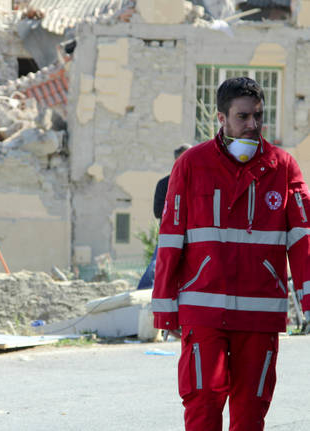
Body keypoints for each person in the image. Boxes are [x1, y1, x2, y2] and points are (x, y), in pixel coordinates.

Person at [152, 76, 310, 430]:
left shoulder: (282, 167)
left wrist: (309, 299)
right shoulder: (192, 165)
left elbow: (303, 240)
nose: (253, 125)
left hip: (259, 311)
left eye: (258, 116)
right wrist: (165, 308)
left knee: (251, 412)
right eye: (243, 117)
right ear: (221, 119)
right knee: (202, 402)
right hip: (203, 307)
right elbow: (170, 237)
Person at [137, 144, 191, 290]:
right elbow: (158, 211)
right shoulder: (164, 184)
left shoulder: (198, 183)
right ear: (176, 161)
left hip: (193, 237)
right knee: (154, 270)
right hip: (169, 236)